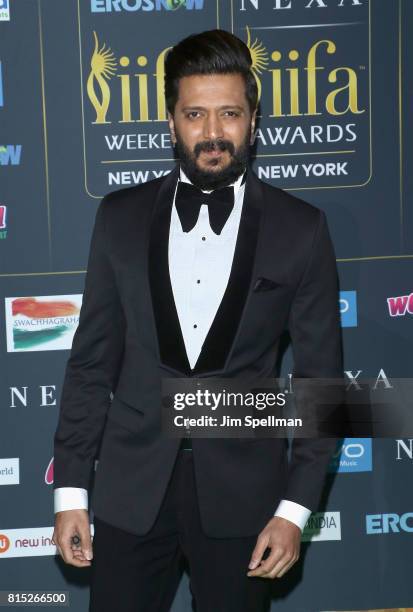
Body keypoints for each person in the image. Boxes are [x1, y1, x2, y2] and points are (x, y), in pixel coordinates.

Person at [52, 29, 343, 612]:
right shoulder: (119, 218)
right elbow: (90, 365)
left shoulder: (300, 229)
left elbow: (323, 389)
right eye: (195, 114)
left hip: (244, 499)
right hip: (131, 490)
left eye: (229, 114)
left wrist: (294, 511)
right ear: (171, 121)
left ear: (253, 120)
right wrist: (70, 492)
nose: (213, 134)